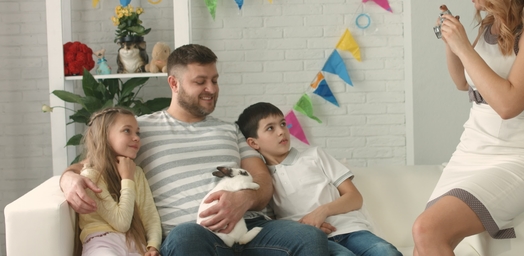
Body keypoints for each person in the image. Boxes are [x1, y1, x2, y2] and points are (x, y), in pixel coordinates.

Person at [60, 44, 331, 256]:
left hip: (251, 228)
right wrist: (68, 178)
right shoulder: (139, 130)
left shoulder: (230, 130)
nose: (211, 89)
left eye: (214, 80)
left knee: (309, 238)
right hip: (194, 236)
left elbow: (262, 181)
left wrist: (245, 200)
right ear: (174, 84)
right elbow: (94, 163)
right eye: (200, 81)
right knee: (185, 236)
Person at [412, 0, 524, 256]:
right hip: (471, 152)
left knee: (426, 229)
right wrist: (452, 47)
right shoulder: (488, 27)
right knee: (425, 241)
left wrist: (464, 46)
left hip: (518, 159)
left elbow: (508, 104)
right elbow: (463, 84)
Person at [236, 102, 403, 256]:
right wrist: (307, 228)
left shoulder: (315, 155)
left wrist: (320, 213)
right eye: (270, 128)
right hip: (313, 241)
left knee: (386, 251)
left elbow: (355, 198)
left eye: (282, 124)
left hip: (350, 229)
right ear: (253, 143)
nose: (281, 131)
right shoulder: (262, 179)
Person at [78, 107, 161, 256]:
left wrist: (153, 246)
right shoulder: (91, 176)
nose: (136, 137)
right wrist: (127, 178)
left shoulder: (138, 174)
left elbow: (151, 217)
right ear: (104, 136)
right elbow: (121, 223)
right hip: (102, 242)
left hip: (136, 244)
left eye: (137, 132)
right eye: (127, 131)